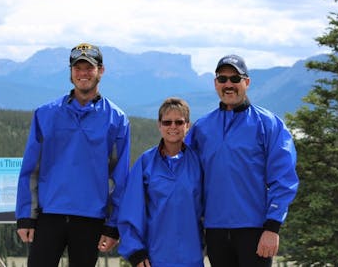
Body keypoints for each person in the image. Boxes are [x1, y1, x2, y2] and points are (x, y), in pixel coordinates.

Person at [15, 42, 131, 267]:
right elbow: (31, 169)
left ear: (101, 71)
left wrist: (113, 225)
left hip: (90, 219)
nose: (83, 73)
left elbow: (120, 179)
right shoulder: (46, 114)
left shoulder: (116, 119)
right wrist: (25, 216)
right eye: (77, 68)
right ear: (70, 72)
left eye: (89, 67)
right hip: (49, 216)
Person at [185, 54, 299, 267]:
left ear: (246, 82)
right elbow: (188, 177)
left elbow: (284, 179)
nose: (228, 84)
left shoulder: (269, 124)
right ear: (215, 84)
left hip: (255, 231)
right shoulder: (202, 128)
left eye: (235, 79)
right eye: (222, 79)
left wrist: (272, 228)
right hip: (215, 231)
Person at [118, 97, 204, 267]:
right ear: (159, 125)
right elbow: (131, 210)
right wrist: (135, 252)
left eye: (179, 122)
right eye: (167, 122)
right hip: (155, 258)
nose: (173, 126)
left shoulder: (199, 163)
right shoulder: (145, 163)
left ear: (187, 125)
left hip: (191, 257)